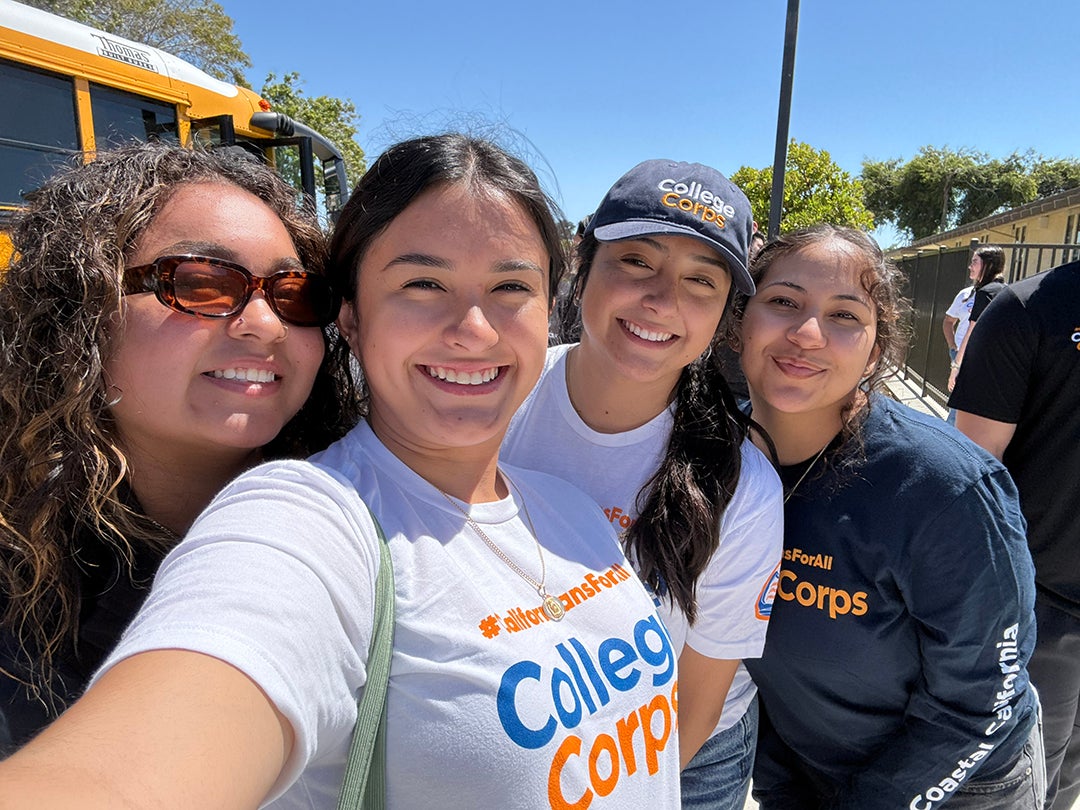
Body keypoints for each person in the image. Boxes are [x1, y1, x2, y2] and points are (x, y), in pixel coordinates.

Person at [0, 134, 682, 808]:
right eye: (202, 284)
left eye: (511, 285)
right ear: (353, 320)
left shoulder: (566, 508)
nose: (265, 325)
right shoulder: (302, 523)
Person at [0, 141, 355, 754]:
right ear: (82, 310)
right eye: (202, 283)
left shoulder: (377, 519)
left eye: (295, 293)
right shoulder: (20, 559)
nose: (266, 323)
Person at [504, 159, 783, 809]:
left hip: (682, 748)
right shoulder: (497, 396)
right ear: (582, 260)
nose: (662, 300)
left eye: (700, 281)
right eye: (636, 261)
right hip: (526, 718)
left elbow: (693, 706)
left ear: (724, 314)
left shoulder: (743, 486)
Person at [735, 225, 1043, 809]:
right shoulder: (715, 457)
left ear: (876, 349)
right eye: (782, 302)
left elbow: (980, 702)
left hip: (964, 787)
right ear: (738, 322)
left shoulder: (943, 486)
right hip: (807, 770)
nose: (806, 334)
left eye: (845, 315)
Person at [949, 257, 1080, 809]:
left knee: (1069, 779)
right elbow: (974, 471)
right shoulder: (1026, 309)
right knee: (1020, 779)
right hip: (1040, 608)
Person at [947, 244, 1006, 394]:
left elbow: (971, 331)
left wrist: (956, 366)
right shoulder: (1006, 291)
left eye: (975, 262)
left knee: (957, 412)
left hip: (974, 361)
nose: (970, 266)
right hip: (995, 364)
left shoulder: (985, 293)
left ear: (989, 265)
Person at [941, 252, 982, 423]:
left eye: (975, 262)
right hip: (959, 355)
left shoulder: (998, 294)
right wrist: (953, 347)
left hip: (980, 358)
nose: (970, 266)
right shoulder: (965, 294)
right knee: (956, 406)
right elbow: (948, 322)